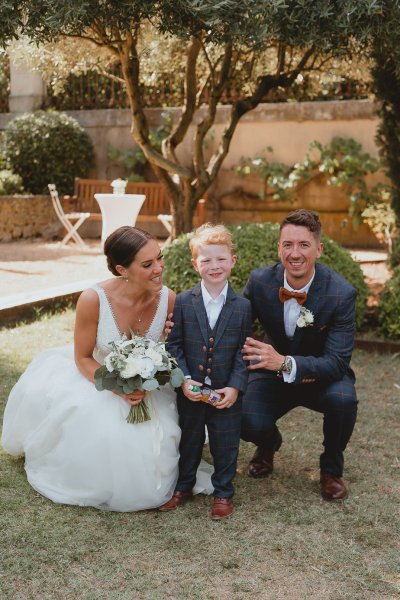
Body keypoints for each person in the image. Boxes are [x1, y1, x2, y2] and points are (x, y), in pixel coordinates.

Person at [1, 226, 212, 512]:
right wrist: (117, 387)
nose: (159, 268)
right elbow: (83, 358)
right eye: (148, 264)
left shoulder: (168, 298)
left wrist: (158, 361)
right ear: (122, 269)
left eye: (159, 258)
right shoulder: (93, 299)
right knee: (105, 433)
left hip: (149, 385)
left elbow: (171, 350)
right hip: (97, 376)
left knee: (163, 439)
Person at [241, 209, 358, 501]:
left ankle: (331, 470)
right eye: (288, 245)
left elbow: (337, 362)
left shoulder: (341, 293)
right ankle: (268, 443)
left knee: (345, 400)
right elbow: (235, 325)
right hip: (271, 374)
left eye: (304, 245)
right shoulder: (259, 281)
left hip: (322, 377)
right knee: (245, 418)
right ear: (279, 247)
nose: (295, 253)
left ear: (319, 249)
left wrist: (284, 362)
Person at [161, 223, 252, 519]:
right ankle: (183, 486)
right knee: (190, 439)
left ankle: (223, 492)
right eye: (207, 260)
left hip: (225, 391)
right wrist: (185, 379)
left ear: (233, 261)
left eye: (221, 259)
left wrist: (236, 387)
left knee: (226, 443)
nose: (215, 266)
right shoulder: (185, 302)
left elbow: (243, 351)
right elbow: (174, 345)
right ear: (195, 264)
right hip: (192, 390)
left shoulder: (243, 306)